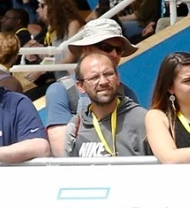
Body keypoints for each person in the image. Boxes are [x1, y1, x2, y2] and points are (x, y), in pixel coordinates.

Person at [41, 17, 139, 154]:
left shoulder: (127, 93)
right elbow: (62, 153)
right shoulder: (62, 90)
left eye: (119, 49)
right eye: (107, 47)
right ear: (86, 49)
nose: (114, 54)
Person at [61, 51, 149, 158]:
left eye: (108, 74)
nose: (103, 82)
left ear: (117, 78)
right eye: (94, 77)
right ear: (80, 86)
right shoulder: (76, 126)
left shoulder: (142, 120)